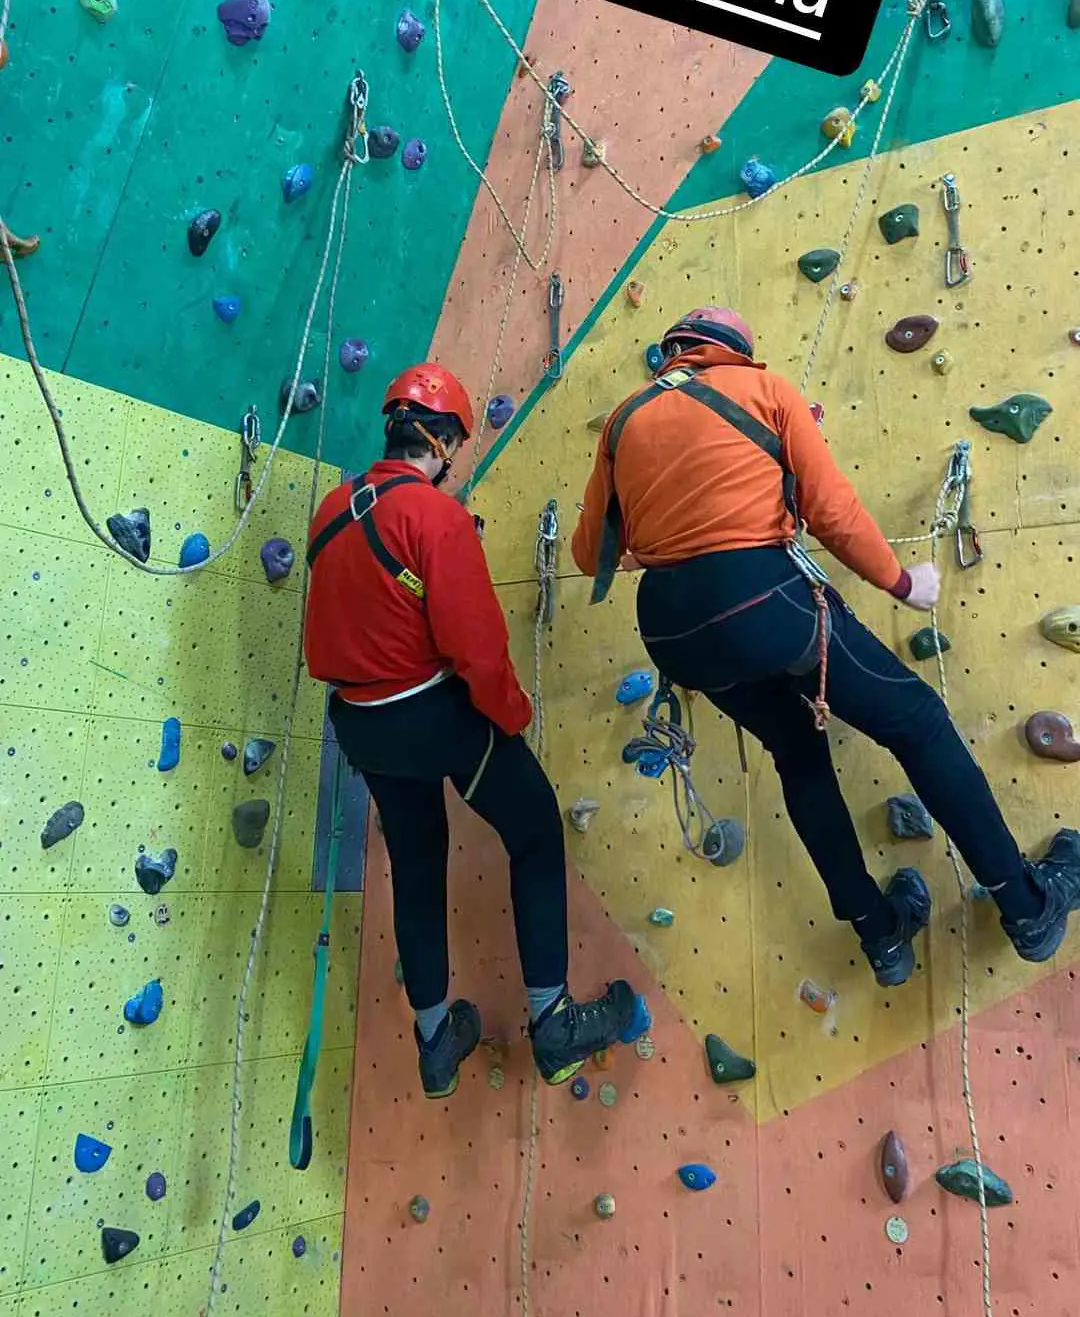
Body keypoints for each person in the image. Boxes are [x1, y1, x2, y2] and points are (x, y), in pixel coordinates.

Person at [572, 306, 1080, 986]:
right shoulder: (764, 389)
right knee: (917, 722)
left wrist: (673, 546)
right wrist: (901, 582)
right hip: (761, 599)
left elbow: (589, 556)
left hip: (671, 630)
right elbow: (831, 511)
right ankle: (1027, 907)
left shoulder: (624, 419)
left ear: (676, 352)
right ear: (736, 351)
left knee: (799, 757)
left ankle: (882, 934)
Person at [303, 360, 642, 1097]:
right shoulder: (436, 518)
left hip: (360, 726)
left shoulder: (331, 511)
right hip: (432, 715)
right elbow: (477, 650)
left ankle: (435, 1040)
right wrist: (513, 716)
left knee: (417, 863)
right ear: (447, 442)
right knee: (534, 828)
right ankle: (553, 1021)